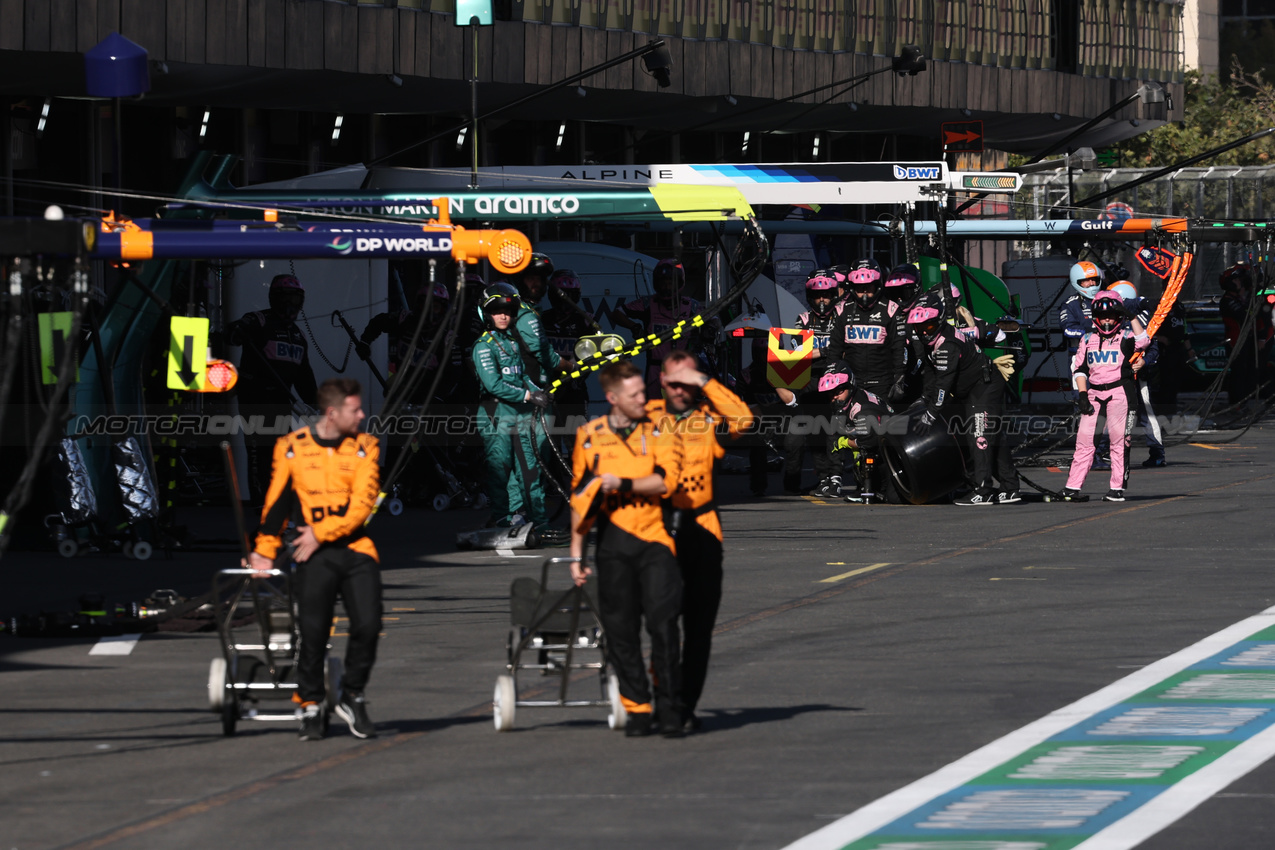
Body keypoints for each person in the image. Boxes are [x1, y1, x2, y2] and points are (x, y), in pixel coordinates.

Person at [246, 378, 381, 741]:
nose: (363, 415)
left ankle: (353, 694)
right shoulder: (291, 448)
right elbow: (275, 506)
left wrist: (321, 532)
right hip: (312, 554)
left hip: (354, 548)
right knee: (312, 632)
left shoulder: (366, 447)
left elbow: (362, 505)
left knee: (368, 625)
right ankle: (310, 703)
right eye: (356, 409)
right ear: (333, 413)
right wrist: (263, 550)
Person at [568, 359, 685, 737]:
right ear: (612, 398)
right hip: (613, 545)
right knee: (620, 631)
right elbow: (580, 499)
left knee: (663, 625)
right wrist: (576, 555)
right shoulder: (589, 435)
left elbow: (665, 483)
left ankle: (669, 705)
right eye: (635, 394)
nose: (643, 398)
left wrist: (620, 483)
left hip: (654, 539)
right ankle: (637, 707)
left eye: (643, 391)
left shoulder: (660, 429)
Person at [646, 350, 753, 733]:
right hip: (658, 531)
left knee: (698, 627)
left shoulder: (709, 419)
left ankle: (685, 704)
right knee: (662, 624)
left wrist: (705, 382)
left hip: (704, 530)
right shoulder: (646, 417)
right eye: (674, 382)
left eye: (687, 382)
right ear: (661, 382)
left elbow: (744, 420)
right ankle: (665, 701)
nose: (680, 389)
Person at [907, 301, 1021, 506]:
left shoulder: (948, 344)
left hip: (984, 385)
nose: (924, 332)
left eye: (929, 326)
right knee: (991, 435)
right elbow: (931, 376)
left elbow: (943, 384)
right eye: (919, 327)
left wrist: (930, 414)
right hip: (969, 389)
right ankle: (1010, 486)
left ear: (939, 322)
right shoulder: (930, 343)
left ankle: (983, 490)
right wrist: (924, 399)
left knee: (979, 434)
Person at [227, 273, 318, 502]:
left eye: (295, 300)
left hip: (281, 402)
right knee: (260, 455)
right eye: (285, 298)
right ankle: (262, 504)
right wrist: (238, 331)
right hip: (256, 399)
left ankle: (279, 500)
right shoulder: (260, 320)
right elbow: (233, 332)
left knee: (283, 454)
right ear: (274, 298)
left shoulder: (298, 336)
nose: (290, 305)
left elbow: (304, 375)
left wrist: (316, 404)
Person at [472, 283, 553, 531]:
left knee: (530, 470)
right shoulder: (482, 346)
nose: (503, 316)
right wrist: (529, 395)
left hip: (520, 414)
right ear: (487, 315)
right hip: (495, 414)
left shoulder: (513, 342)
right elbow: (494, 384)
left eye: (507, 311)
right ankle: (500, 520)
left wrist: (537, 390)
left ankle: (538, 521)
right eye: (497, 311)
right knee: (500, 471)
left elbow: (521, 376)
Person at [1060, 291, 1150, 502]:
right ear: (1095, 317)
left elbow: (1144, 341)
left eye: (1112, 315)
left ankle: (1117, 488)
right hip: (1093, 394)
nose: (1107, 319)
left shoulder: (1126, 336)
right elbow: (1080, 369)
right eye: (1103, 315)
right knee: (1084, 442)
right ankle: (1072, 487)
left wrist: (1131, 316)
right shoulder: (1087, 338)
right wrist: (1082, 395)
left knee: (1119, 443)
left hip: (1121, 393)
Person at [779, 270, 841, 495]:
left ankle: (829, 478)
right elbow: (798, 354)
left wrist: (817, 352)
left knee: (830, 432)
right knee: (794, 439)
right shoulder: (803, 319)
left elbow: (844, 351)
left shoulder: (842, 316)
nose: (822, 300)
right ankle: (791, 484)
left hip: (835, 382)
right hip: (808, 383)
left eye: (825, 295)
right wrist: (825, 351)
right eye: (817, 296)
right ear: (810, 297)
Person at [613, 258, 705, 396]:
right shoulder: (648, 304)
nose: (667, 287)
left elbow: (713, 318)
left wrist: (707, 332)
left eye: (671, 283)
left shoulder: (692, 306)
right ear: (657, 283)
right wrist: (635, 328)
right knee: (655, 411)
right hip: (656, 370)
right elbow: (617, 313)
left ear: (679, 283)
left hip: (683, 370)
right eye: (664, 283)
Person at [826, 258, 907, 404]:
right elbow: (835, 350)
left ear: (877, 285)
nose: (864, 292)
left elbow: (898, 348)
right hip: (851, 382)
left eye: (868, 287)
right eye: (859, 287)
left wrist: (899, 379)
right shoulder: (841, 309)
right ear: (852, 286)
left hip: (882, 383)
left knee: (880, 424)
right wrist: (833, 380)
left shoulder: (891, 309)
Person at [1219, 262, 1273, 405]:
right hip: (1236, 341)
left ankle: (1242, 402)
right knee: (1239, 373)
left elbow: (1256, 317)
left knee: (1246, 372)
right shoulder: (1228, 300)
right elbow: (1245, 316)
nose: (1240, 282)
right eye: (1236, 280)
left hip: (1246, 341)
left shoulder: (1241, 298)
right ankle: (1237, 404)